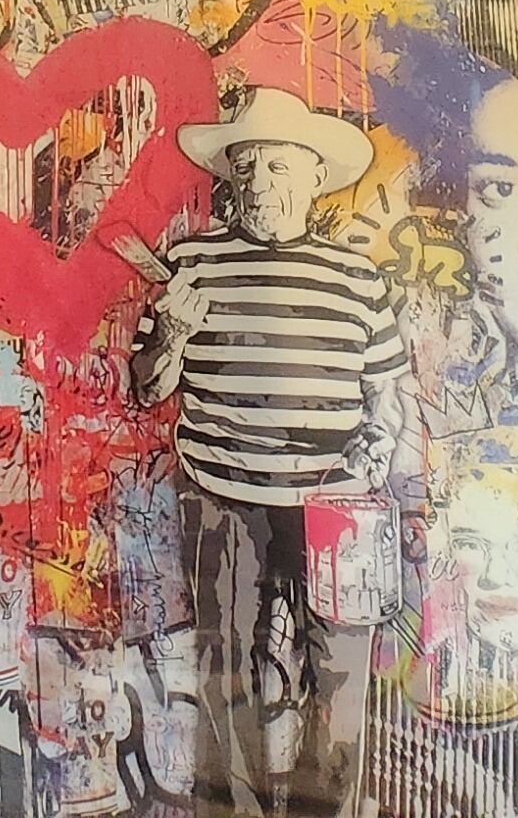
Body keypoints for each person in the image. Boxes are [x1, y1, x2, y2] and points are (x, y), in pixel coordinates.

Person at [132, 83, 402, 817]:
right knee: (227, 666)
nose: (258, 183)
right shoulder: (190, 263)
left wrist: (373, 454)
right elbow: (148, 388)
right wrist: (172, 334)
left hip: (332, 505)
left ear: (316, 177)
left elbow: (387, 394)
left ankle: (328, 811)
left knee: (340, 669)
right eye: (245, 166)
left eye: (278, 166)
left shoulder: (358, 277)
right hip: (222, 494)